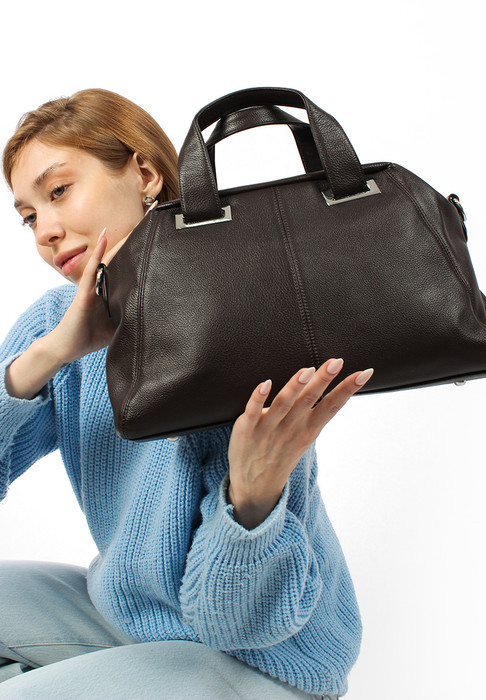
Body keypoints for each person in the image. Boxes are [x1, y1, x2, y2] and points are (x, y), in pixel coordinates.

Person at [0, 88, 373, 699]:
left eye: (59, 190)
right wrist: (46, 357)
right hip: (129, 622)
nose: (45, 230)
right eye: (28, 215)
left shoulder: (239, 319)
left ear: (145, 174)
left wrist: (252, 497)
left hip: (259, 660)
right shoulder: (56, 325)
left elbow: (236, 623)